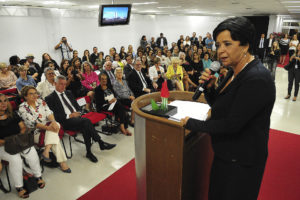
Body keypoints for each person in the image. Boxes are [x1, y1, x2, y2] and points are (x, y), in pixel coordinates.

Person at [181, 17, 276, 200]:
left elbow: (232, 124)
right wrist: (209, 90)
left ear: (245, 45)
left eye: (227, 44)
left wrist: (192, 123)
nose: (220, 51)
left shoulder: (256, 78)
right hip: (227, 154)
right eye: (218, 45)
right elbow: (222, 106)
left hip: (241, 161)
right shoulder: (234, 70)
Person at [45, 75, 116, 163]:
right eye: (61, 84)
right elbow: (54, 116)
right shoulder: (49, 98)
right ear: (55, 84)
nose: (63, 86)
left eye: (64, 84)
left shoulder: (68, 93)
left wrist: (79, 112)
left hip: (78, 118)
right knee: (86, 122)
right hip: (65, 121)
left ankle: (89, 152)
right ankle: (100, 143)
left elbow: (77, 106)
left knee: (85, 125)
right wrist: (70, 116)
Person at [0, 93, 45, 198]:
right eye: (0, 101)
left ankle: (38, 176)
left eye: (5, 100)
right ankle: (19, 186)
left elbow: (23, 127)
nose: (3, 104)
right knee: (15, 159)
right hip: (3, 145)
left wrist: (19, 138)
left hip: (18, 141)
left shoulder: (13, 114)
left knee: (31, 152)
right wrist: (9, 141)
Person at [18, 86, 71, 173]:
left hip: (49, 127)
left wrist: (53, 122)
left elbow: (49, 113)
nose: (34, 95)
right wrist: (48, 127)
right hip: (35, 132)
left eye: (35, 93)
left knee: (56, 124)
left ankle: (46, 151)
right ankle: (62, 163)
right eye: (31, 94)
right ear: (25, 96)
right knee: (55, 135)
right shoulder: (22, 108)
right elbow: (33, 123)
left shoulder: (41, 102)